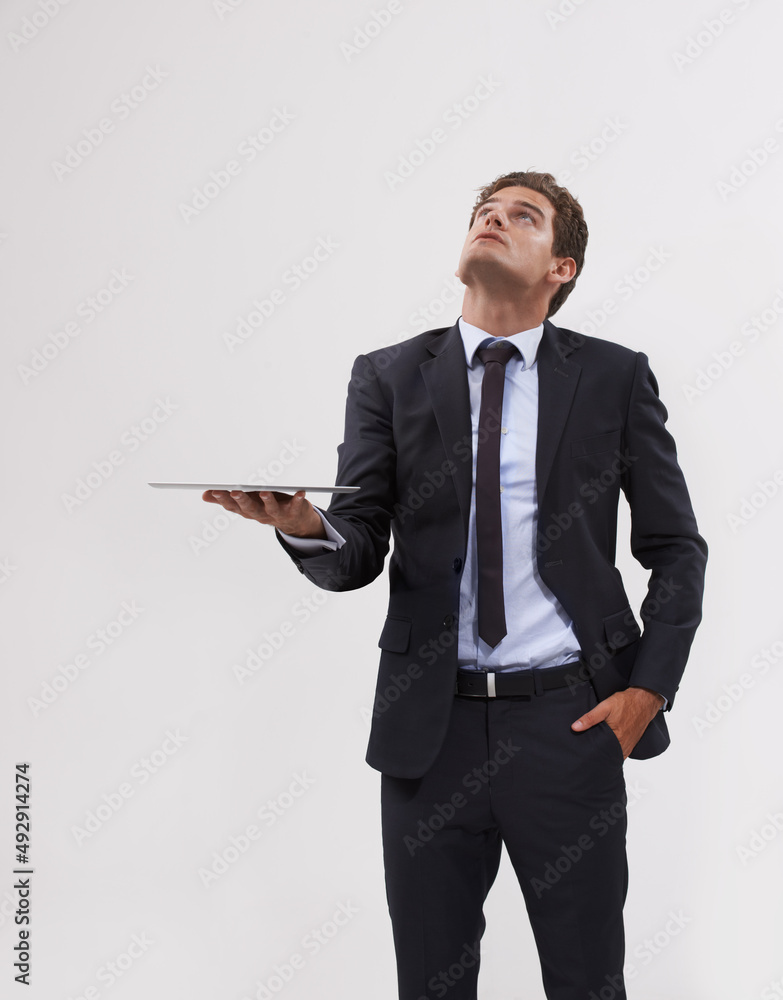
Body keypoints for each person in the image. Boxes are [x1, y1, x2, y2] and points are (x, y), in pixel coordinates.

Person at [203, 170, 708, 1000]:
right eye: (483, 212)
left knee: (587, 982)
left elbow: (675, 548)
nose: (492, 221)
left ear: (562, 267)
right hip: (425, 732)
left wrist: (647, 691)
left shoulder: (614, 378)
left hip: (569, 722)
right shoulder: (388, 375)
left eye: (522, 216)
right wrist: (303, 525)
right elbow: (357, 548)